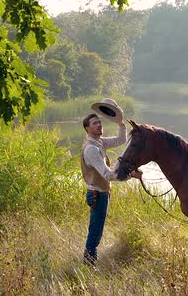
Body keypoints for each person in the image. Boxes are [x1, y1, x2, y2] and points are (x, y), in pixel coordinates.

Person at [81, 98, 142, 267]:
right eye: (95, 124)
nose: (99, 125)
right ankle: (89, 263)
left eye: (99, 122)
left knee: (97, 230)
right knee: (95, 231)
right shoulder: (91, 149)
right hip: (97, 195)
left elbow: (120, 140)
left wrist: (121, 123)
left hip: (101, 193)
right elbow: (108, 175)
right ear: (88, 128)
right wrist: (130, 175)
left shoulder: (99, 142)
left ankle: (90, 261)